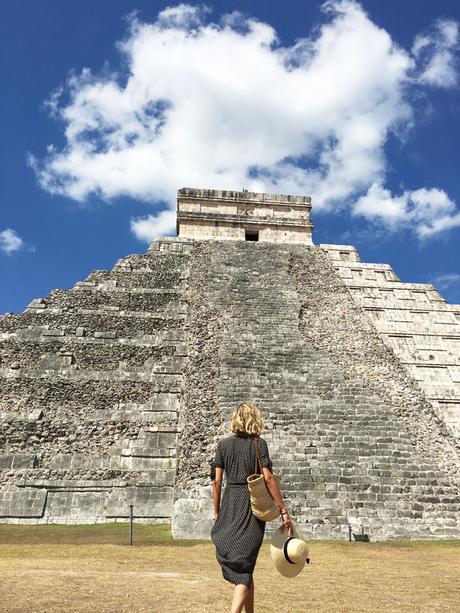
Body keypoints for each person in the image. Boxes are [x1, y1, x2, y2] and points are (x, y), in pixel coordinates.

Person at [210, 401, 293, 613]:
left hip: (230, 503)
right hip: (251, 506)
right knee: (244, 571)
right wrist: (282, 509)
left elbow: (217, 482)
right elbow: (268, 477)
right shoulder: (258, 444)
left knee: (247, 567)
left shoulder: (223, 445)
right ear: (255, 420)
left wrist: (217, 510)